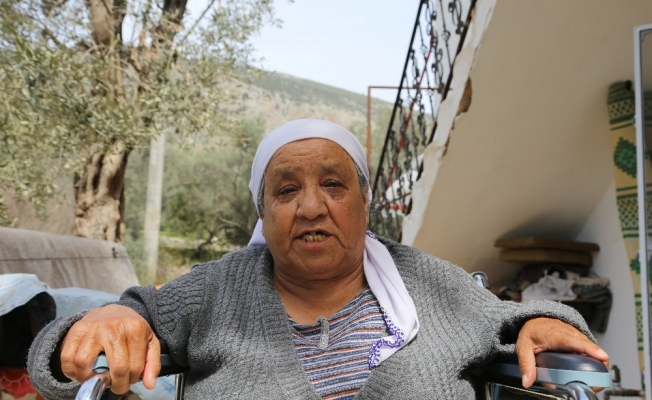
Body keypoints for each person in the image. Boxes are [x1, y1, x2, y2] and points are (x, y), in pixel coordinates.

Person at [28, 119, 608, 399]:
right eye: (286, 191)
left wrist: (544, 322)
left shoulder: (427, 282)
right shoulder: (216, 292)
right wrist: (108, 317)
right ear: (263, 212)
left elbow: (512, 319)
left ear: (363, 203)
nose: (311, 207)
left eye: (333, 184)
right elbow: (57, 362)